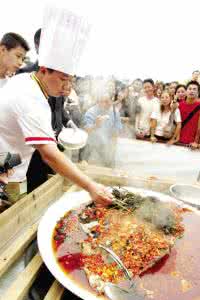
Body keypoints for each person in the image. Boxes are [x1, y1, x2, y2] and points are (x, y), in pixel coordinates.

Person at [0, 5, 112, 206]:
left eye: (70, 80)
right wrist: (92, 187)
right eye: (62, 79)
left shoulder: (27, 81)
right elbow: (49, 155)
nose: (67, 88)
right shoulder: (30, 96)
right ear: (44, 70)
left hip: (13, 168)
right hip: (6, 176)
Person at [81, 93, 122, 167]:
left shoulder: (115, 112)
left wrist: (113, 148)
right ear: (98, 102)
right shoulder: (91, 112)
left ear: (111, 100)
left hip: (106, 144)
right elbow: (86, 131)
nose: (104, 104)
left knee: (109, 166)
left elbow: (116, 131)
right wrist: (96, 125)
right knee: (85, 167)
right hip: (91, 145)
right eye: (102, 101)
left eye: (107, 101)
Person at [179, 81, 200, 149]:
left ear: (198, 92)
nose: (192, 91)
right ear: (186, 91)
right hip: (178, 141)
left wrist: (196, 142)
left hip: (192, 144)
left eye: (194, 89)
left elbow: (199, 127)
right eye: (190, 89)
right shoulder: (180, 105)